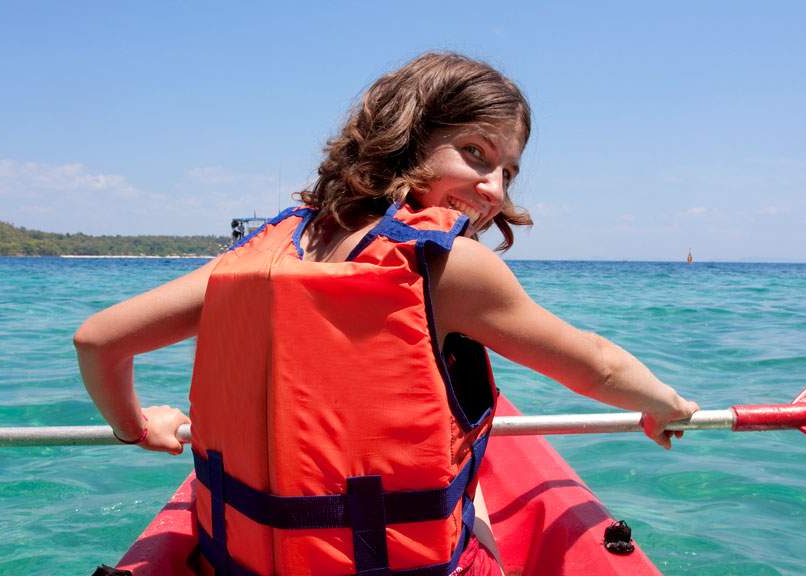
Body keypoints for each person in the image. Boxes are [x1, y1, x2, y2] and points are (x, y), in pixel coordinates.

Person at [75, 52, 699, 576]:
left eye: (508, 170)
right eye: (476, 153)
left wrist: (134, 426)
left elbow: (99, 341)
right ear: (404, 136)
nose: (496, 189)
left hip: (239, 560)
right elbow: (595, 365)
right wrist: (663, 404)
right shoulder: (449, 267)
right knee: (476, 514)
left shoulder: (256, 257)